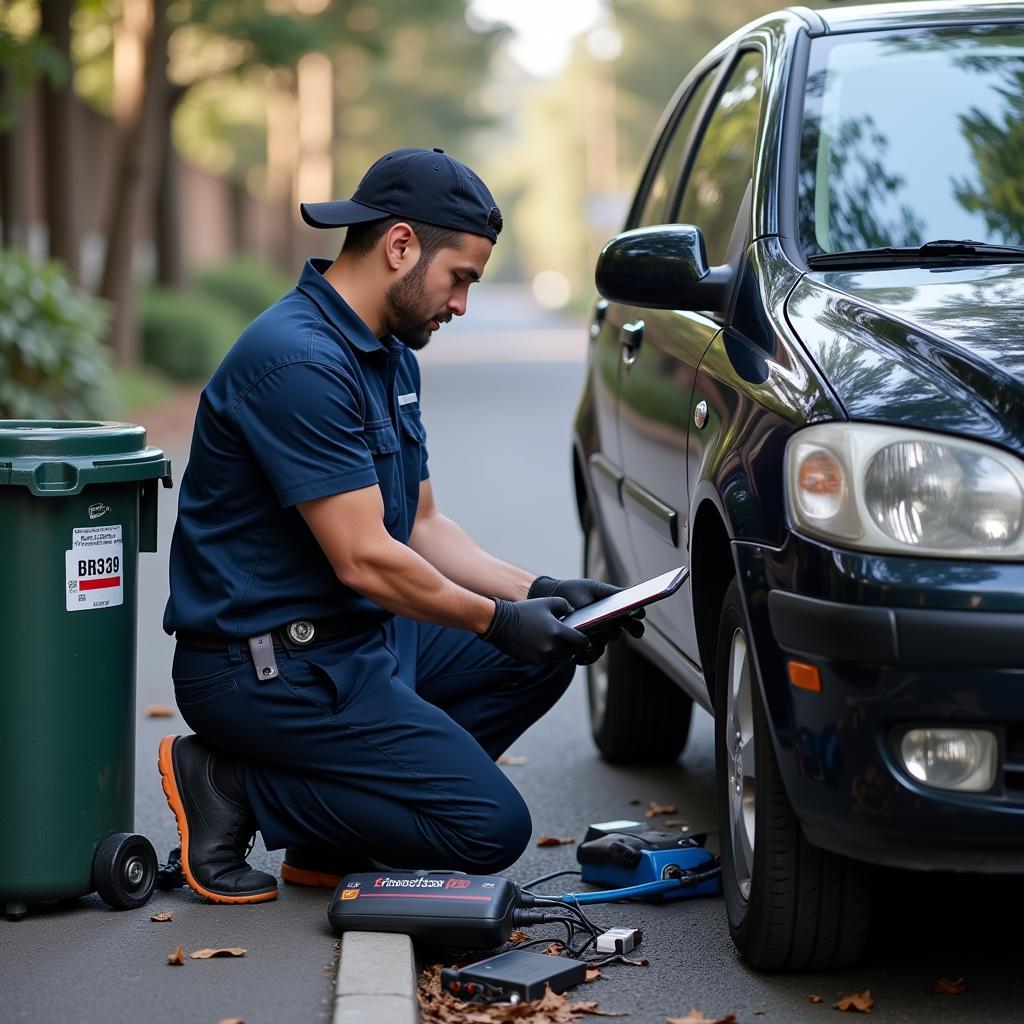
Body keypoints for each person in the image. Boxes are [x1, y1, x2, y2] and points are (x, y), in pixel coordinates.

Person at [157, 147, 643, 904]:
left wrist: (540, 591)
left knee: (544, 651)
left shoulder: (388, 355)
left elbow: (420, 525)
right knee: (487, 829)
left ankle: (331, 838)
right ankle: (231, 783)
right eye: (461, 279)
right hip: (268, 667)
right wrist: (496, 620)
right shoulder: (298, 362)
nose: (460, 305)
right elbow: (364, 559)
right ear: (400, 246)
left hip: (358, 642)